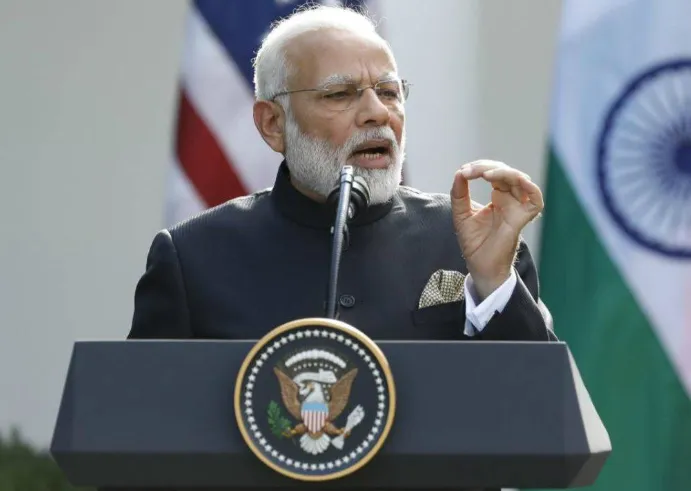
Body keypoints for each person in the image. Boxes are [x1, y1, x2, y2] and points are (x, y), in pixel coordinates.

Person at [127, 4, 556, 343]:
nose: (377, 113)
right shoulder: (192, 258)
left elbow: (543, 406)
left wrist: (494, 281)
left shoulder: (472, 241)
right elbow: (140, 415)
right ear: (273, 123)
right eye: (339, 94)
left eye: (389, 92)